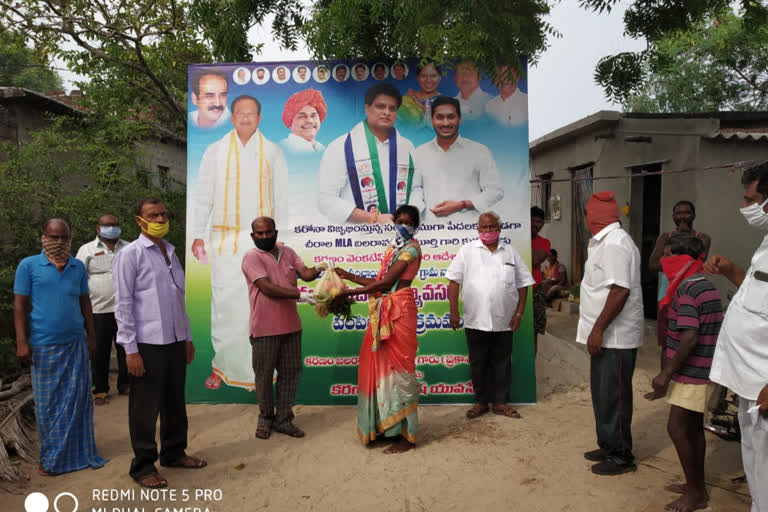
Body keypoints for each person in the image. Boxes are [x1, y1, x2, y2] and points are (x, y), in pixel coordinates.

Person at [190, 94, 288, 390]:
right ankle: (223, 367)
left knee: (264, 305)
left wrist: (281, 242)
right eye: (240, 113)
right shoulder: (214, 151)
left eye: (251, 113)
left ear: (259, 118)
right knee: (226, 305)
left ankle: (264, 370)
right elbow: (204, 195)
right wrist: (197, 233)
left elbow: (281, 198)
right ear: (232, 117)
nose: (245, 118)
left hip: (264, 243)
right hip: (225, 243)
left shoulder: (272, 151)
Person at [114, 198, 207, 489]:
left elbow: (180, 300)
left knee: (174, 402)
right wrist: (130, 350)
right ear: (139, 221)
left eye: (163, 213)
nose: (160, 218)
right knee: (145, 407)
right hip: (146, 344)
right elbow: (123, 304)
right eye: (152, 215)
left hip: (175, 341)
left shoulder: (171, 251)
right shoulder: (131, 254)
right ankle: (142, 467)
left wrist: (187, 338)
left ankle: (174, 452)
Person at [14, 219, 107, 476]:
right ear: (43, 237)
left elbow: (85, 303)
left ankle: (79, 454)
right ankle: (52, 459)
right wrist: (22, 341)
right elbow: (20, 306)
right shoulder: (28, 266)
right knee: (49, 405)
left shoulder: (77, 267)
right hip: (44, 346)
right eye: (53, 237)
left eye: (63, 237)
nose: (58, 242)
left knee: (78, 402)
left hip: (76, 344)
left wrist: (91, 336)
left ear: (70, 239)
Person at [704, 162, 768, 512]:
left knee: (766, 465)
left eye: (752, 199)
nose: (745, 208)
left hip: (764, 382)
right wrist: (730, 270)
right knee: (755, 461)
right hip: (748, 379)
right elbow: (758, 291)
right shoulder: (767, 241)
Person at [333, 205, 423, 454]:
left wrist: (347, 292)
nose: (403, 226)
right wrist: (346, 275)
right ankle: (386, 427)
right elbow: (377, 283)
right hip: (384, 311)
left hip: (400, 312)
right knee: (379, 368)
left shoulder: (412, 249)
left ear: (416, 226)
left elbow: (385, 283)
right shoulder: (392, 250)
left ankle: (408, 435)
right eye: (399, 221)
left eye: (408, 222)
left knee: (401, 371)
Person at [646, 233, 723, 512]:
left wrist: (666, 375)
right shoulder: (703, 284)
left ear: (680, 260)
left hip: (692, 372)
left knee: (676, 428)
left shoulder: (688, 289)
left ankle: (696, 494)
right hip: (702, 370)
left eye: (668, 256)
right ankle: (696, 485)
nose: (664, 262)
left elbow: (689, 337)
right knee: (693, 429)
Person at [578, 191, 644, 476]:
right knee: (603, 395)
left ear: (592, 217)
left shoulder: (616, 244)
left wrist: (598, 329)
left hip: (614, 337)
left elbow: (620, 291)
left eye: (587, 214)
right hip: (605, 336)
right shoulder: (603, 242)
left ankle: (620, 456)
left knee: (614, 396)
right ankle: (607, 444)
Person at [446, 211, 534, 419]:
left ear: (499, 228)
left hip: (504, 320)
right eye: (483, 228)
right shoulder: (467, 251)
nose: (488, 231)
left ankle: (501, 403)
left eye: (492, 227)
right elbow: (453, 281)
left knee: (502, 363)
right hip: (475, 319)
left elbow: (523, 284)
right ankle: (481, 402)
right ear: (478, 230)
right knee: (478, 363)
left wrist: (519, 313)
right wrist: (453, 311)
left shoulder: (510, 252)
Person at [241, 216, 323, 439]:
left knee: (290, 373)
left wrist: (322, 268)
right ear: (253, 236)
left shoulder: (288, 253)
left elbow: (305, 274)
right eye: (260, 233)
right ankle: (265, 418)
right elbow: (267, 288)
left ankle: (284, 419)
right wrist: (300, 295)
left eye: (269, 232)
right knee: (264, 376)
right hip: (264, 328)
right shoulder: (251, 257)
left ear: (276, 232)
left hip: (291, 326)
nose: (265, 236)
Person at [316, 83, 425, 224]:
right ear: (367, 108)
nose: (387, 112)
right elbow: (326, 200)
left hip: (401, 235)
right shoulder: (341, 146)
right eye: (380, 106)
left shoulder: (407, 147)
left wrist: (408, 213)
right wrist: (373, 218)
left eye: (392, 108)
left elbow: (416, 188)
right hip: (358, 239)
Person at [414, 96, 503, 223]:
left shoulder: (479, 151)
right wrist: (414, 208)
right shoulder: (419, 153)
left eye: (451, 117)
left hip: (468, 233)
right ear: (432, 120)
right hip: (431, 232)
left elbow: (495, 191)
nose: (445, 123)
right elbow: (415, 189)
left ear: (459, 119)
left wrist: (462, 204)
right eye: (440, 117)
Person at [76, 213, 130, 405]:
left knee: (126, 347)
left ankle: (126, 384)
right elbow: (78, 277)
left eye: (115, 224)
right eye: (108, 225)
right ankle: (100, 389)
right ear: (98, 228)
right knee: (100, 351)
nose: (112, 228)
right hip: (98, 310)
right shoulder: (87, 250)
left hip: (126, 309)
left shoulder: (129, 247)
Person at [649, 201, 711, 348]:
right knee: (666, 344)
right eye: (678, 213)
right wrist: (685, 260)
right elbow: (652, 264)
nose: (682, 216)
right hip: (667, 297)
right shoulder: (665, 237)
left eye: (687, 213)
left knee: (689, 342)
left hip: (693, 295)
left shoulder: (703, 238)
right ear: (673, 216)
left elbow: (698, 264)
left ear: (694, 215)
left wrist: (669, 260)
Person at [279, 88, 327, 153]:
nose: (310, 120)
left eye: (313, 115)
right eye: (302, 116)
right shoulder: (283, 148)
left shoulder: (322, 148)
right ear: (290, 122)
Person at [531, 206, 550, 353]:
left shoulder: (545, 242)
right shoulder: (516, 237)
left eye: (539, 222)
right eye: (533, 221)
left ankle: (531, 367)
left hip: (535, 292)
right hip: (515, 291)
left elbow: (534, 260)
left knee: (533, 333)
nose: (536, 225)